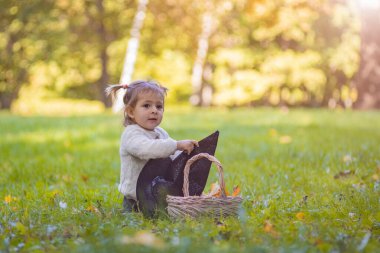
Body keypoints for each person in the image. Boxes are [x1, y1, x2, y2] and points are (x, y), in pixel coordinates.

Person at [105, 80, 199, 212]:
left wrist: (186, 154)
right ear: (131, 112)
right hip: (136, 200)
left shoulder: (161, 132)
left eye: (159, 107)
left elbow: (171, 154)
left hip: (154, 193)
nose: (154, 110)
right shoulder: (131, 134)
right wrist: (177, 145)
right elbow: (147, 149)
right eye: (147, 105)